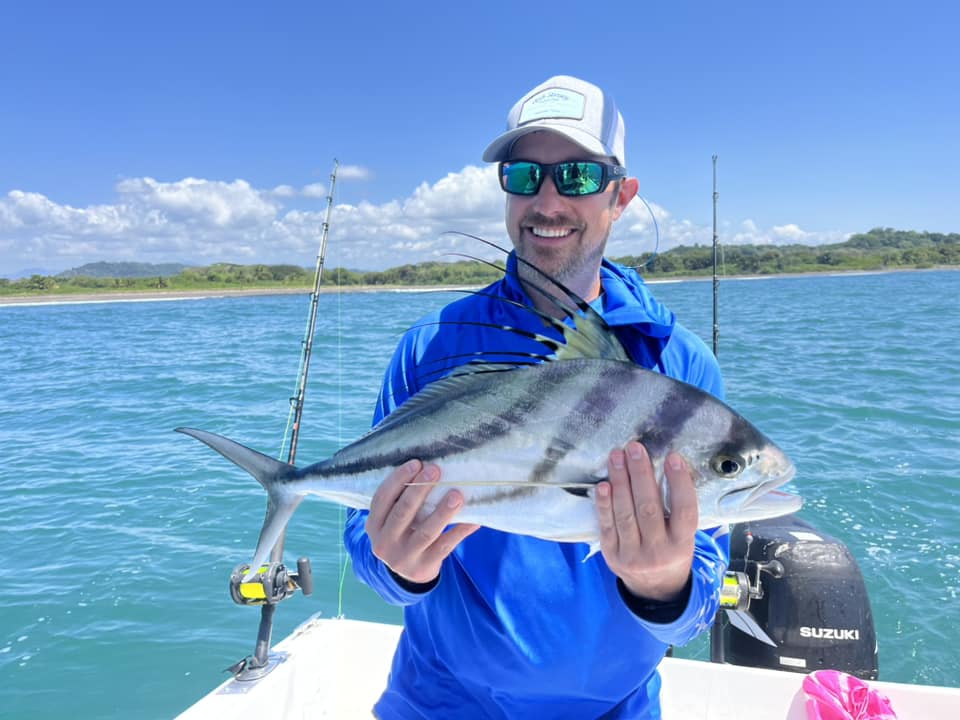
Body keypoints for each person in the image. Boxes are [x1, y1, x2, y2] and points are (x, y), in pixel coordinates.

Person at [344, 75, 729, 719]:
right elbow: (366, 535)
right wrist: (399, 566)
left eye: (577, 175)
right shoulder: (429, 347)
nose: (548, 200)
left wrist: (665, 584)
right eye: (525, 176)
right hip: (438, 703)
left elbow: (695, 606)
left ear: (621, 194)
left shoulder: (680, 365)